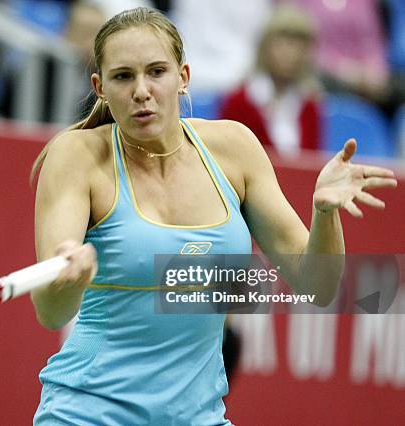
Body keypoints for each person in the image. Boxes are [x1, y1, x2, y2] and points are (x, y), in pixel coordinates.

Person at [30, 7, 397, 425]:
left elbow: (318, 286)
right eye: (123, 76)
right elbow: (51, 312)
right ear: (100, 87)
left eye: (156, 72)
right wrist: (68, 278)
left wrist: (324, 214)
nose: (142, 90)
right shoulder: (76, 155)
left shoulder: (235, 147)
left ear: (183, 76)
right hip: (87, 414)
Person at [220, 4, 322, 156]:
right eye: (283, 44)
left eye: (299, 47)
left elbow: (311, 164)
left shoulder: (310, 106)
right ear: (265, 48)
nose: (291, 54)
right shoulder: (239, 101)